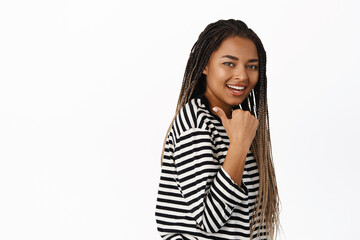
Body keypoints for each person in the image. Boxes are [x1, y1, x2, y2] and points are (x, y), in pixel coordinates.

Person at [155, 19, 280, 240]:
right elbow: (209, 219)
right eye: (229, 63)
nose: (242, 75)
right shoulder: (195, 123)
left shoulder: (238, 122)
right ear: (205, 65)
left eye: (252, 66)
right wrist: (239, 146)